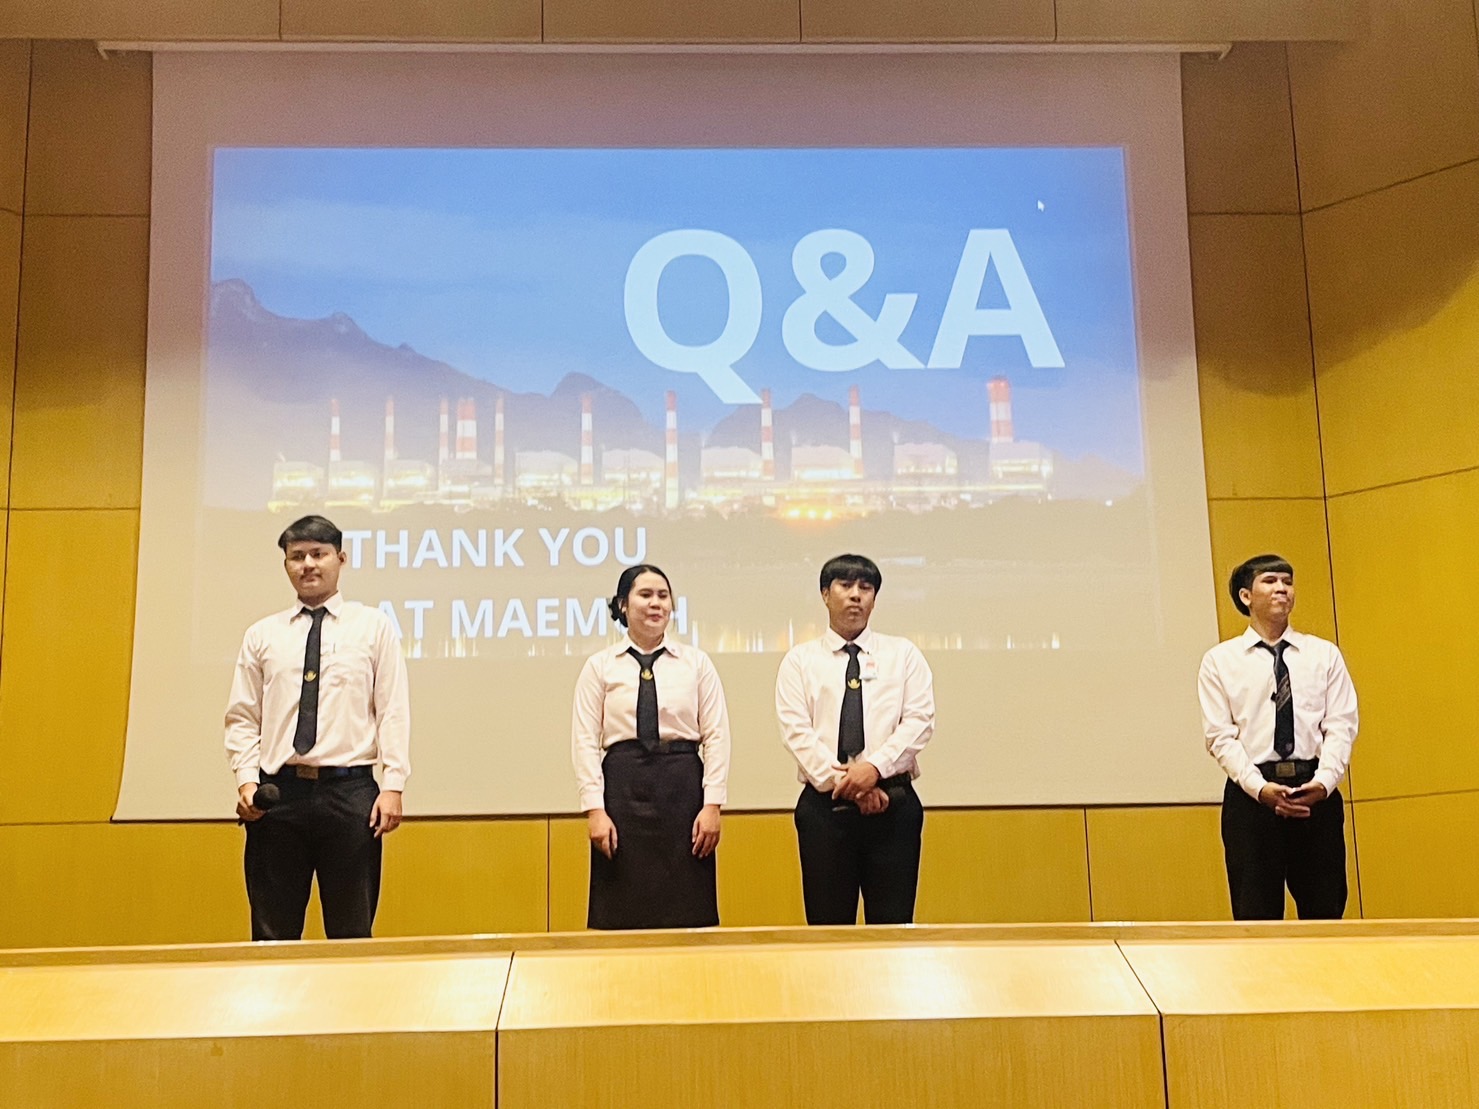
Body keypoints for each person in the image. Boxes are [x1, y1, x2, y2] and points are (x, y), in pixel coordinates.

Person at [224, 514, 410, 940]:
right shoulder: (262, 635)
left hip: (350, 794)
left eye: (318, 554)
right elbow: (243, 716)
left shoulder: (373, 627)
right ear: (286, 565)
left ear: (340, 559)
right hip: (278, 795)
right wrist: (247, 782)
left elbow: (393, 710)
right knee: (272, 933)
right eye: (297, 556)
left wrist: (394, 784)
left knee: (351, 931)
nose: (307, 564)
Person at [775, 553, 935, 925]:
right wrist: (850, 786)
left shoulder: (903, 654)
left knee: (893, 927)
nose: (856, 595)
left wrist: (874, 769)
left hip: (893, 803)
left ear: (874, 599)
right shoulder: (800, 661)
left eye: (865, 587)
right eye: (845, 586)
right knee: (828, 928)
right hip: (825, 808)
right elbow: (796, 731)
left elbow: (919, 720)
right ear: (825, 594)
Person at [1198, 553, 1358, 920]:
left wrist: (1324, 782)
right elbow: (1220, 736)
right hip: (1251, 798)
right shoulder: (1220, 661)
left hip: (1314, 792)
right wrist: (1260, 789)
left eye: (1287, 581)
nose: (1282, 589)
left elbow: (1341, 725)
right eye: (1270, 581)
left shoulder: (1324, 655)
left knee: (1325, 912)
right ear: (1245, 596)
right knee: (1255, 916)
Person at [571, 563, 730, 929]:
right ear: (623, 605)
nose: (656, 603)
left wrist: (712, 804)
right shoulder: (600, 666)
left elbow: (717, 735)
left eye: (663, 596)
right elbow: (584, 740)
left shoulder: (696, 663)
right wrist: (595, 810)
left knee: (688, 907)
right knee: (621, 909)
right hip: (623, 787)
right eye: (645, 595)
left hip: (682, 787)